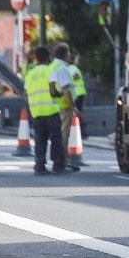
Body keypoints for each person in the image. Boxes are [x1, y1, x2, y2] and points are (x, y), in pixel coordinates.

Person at [25, 47, 65, 175]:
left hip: (37, 112)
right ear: (48, 58)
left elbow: (26, 92)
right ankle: (58, 165)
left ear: (36, 58)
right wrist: (60, 95)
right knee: (56, 139)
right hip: (51, 111)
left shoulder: (30, 74)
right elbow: (53, 90)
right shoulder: (49, 71)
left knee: (40, 140)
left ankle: (39, 165)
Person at [49, 43, 80, 171]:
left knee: (57, 135)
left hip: (54, 107)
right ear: (65, 54)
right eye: (69, 53)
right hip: (63, 106)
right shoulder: (62, 68)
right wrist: (73, 107)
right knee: (63, 136)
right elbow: (66, 91)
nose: (70, 56)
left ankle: (60, 162)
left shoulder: (52, 66)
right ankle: (62, 163)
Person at [68, 56, 88, 139]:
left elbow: (76, 76)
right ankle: (79, 132)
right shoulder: (70, 68)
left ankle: (82, 132)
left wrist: (67, 79)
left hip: (78, 94)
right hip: (77, 94)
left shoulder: (71, 67)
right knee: (76, 112)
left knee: (76, 112)